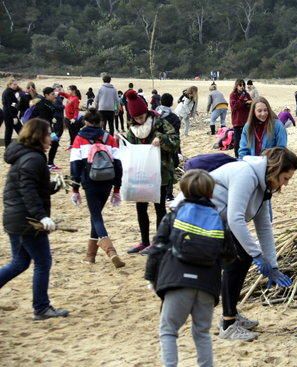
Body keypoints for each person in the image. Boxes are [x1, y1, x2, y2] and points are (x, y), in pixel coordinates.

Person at [196, 147, 297, 340]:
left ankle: (231, 313)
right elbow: (235, 219)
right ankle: (228, 323)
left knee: (241, 257)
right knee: (239, 259)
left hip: (219, 221)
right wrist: (257, 255)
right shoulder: (246, 174)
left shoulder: (264, 187)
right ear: (275, 170)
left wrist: (272, 264)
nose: (286, 184)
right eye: (286, 178)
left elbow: (264, 227)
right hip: (199, 219)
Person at [145, 169, 223, 367]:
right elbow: (228, 254)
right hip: (207, 285)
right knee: (202, 333)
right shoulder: (218, 219)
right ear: (210, 193)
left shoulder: (174, 215)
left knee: (168, 330)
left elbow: (157, 248)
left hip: (177, 281)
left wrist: (151, 279)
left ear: (184, 191)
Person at [0, 118, 69, 320]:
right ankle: (41, 308)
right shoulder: (34, 158)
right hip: (26, 221)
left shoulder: (27, 155)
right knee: (43, 262)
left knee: (20, 262)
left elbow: (33, 186)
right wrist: (42, 217)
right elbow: (27, 191)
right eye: (49, 134)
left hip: (15, 218)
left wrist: (54, 186)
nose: (51, 138)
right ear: (39, 136)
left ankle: (41, 306)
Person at [124, 89, 180, 255]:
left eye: (142, 117)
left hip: (160, 173)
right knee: (140, 206)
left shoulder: (160, 123)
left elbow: (175, 141)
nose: (140, 120)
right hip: (140, 173)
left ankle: (159, 242)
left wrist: (161, 139)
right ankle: (144, 241)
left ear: (147, 113)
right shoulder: (132, 130)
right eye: (136, 118)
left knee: (159, 207)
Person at [69, 108, 125, 268]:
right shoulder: (109, 138)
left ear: (85, 122)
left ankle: (110, 250)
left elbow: (75, 165)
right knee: (96, 214)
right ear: (100, 122)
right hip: (107, 180)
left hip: (90, 181)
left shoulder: (79, 138)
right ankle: (90, 256)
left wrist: (75, 188)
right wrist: (116, 189)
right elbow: (118, 164)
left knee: (95, 216)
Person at [156, 93, 182, 201]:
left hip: (155, 146)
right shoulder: (174, 118)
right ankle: (169, 194)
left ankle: (157, 191)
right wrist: (178, 150)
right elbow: (176, 135)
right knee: (170, 169)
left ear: (160, 102)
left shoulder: (154, 114)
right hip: (169, 147)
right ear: (171, 103)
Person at [229, 79, 252, 157]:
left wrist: (248, 103)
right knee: (237, 140)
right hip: (237, 121)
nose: (242, 87)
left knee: (247, 139)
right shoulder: (233, 95)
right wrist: (242, 99)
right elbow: (234, 107)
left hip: (246, 120)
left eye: (243, 85)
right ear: (236, 85)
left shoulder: (247, 94)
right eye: (240, 85)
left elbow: (251, 104)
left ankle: (247, 154)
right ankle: (237, 156)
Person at [2, 78, 22, 147]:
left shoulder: (9, 91)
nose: (16, 85)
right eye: (14, 84)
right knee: (19, 130)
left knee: (9, 131)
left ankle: (7, 146)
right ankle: (26, 144)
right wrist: (14, 117)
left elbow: (13, 104)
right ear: (10, 85)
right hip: (10, 114)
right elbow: (11, 105)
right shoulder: (8, 92)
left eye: (16, 84)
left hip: (8, 113)